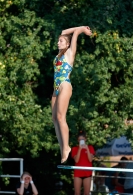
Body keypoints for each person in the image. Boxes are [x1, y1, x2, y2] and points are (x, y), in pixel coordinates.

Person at [51, 26, 92, 163]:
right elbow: (63, 31)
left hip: (64, 86)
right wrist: (64, 35)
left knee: (61, 117)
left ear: (68, 44)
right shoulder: (59, 55)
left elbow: (74, 33)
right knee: (55, 119)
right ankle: (62, 146)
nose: (58, 42)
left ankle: (66, 147)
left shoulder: (69, 53)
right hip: (56, 88)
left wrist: (82, 29)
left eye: (61, 41)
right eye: (58, 41)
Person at [71, 131, 95, 195]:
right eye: (79, 140)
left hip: (87, 173)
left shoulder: (90, 148)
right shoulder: (75, 149)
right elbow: (76, 160)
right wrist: (80, 149)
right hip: (78, 173)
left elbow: (90, 160)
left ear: (85, 139)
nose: (81, 141)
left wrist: (87, 149)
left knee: (87, 193)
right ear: (77, 140)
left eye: (82, 139)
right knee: (77, 193)